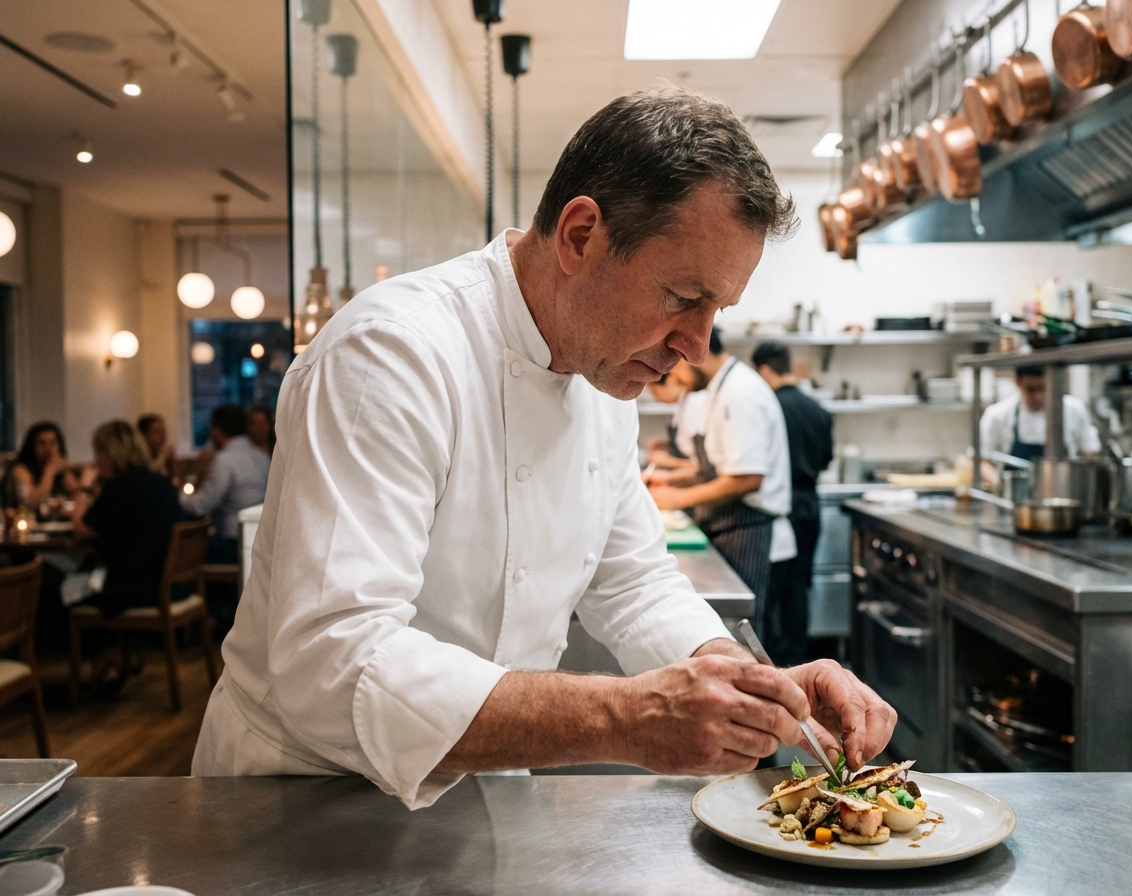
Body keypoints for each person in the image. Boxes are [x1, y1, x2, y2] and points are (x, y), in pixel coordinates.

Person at [193, 87, 896, 807]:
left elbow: (631, 581)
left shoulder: (603, 377)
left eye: (718, 310)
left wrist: (743, 682)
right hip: (301, 800)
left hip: (482, 786)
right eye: (684, 297)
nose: (697, 344)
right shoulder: (392, 354)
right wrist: (623, 718)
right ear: (581, 235)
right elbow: (331, 662)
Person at [647, 328, 796, 621]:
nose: (672, 377)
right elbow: (712, 467)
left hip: (751, 531)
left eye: (673, 365)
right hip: (732, 528)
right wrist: (669, 481)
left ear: (696, 350)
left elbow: (748, 478)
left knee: (745, 637)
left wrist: (677, 498)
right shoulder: (719, 388)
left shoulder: (740, 393)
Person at [71, 420, 184, 690]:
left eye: (99, 453)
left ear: (112, 452)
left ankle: (106, 660)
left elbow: (80, 528)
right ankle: (117, 654)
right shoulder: (158, 482)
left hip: (134, 588)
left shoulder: (122, 486)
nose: (96, 460)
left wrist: (84, 486)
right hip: (168, 583)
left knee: (55, 589)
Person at [751, 342, 834, 667]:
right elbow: (826, 458)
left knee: (773, 588)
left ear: (765, 370)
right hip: (810, 503)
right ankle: (799, 659)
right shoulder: (818, 409)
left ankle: (774, 662)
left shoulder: (768, 407)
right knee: (799, 585)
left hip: (781, 504)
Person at [180, 405, 270, 564]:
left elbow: (201, 507)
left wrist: (180, 495)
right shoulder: (263, 457)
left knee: (185, 554)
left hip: (234, 545)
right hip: (263, 542)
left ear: (216, 431)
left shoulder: (224, 461)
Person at [979, 365, 1101, 463]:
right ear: (1017, 382)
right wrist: (1002, 488)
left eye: (1043, 388)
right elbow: (982, 461)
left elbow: (1089, 453)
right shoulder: (997, 415)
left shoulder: (1074, 409)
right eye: (1030, 389)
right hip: (1016, 491)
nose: (1038, 397)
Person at [5, 422, 77, 509]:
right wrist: (50, 471)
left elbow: (77, 495)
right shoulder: (20, 470)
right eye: (42, 443)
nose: (48, 448)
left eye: (53, 443)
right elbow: (31, 503)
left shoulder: (60, 470)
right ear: (33, 447)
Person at [137, 413, 176, 480]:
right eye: (157, 432)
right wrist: (163, 459)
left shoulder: (160, 454)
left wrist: (171, 465)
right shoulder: (137, 457)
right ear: (143, 435)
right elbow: (145, 474)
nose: (163, 436)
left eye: (164, 432)